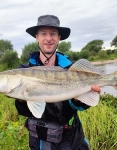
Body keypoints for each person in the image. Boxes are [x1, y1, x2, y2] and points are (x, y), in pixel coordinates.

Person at [15, 15, 101, 150]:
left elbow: (79, 106)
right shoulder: (24, 71)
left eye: (53, 34)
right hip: (42, 140)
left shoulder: (71, 68)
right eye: (43, 33)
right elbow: (25, 111)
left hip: (73, 137)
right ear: (36, 37)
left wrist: (79, 101)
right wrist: (20, 99)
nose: (48, 38)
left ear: (59, 38)